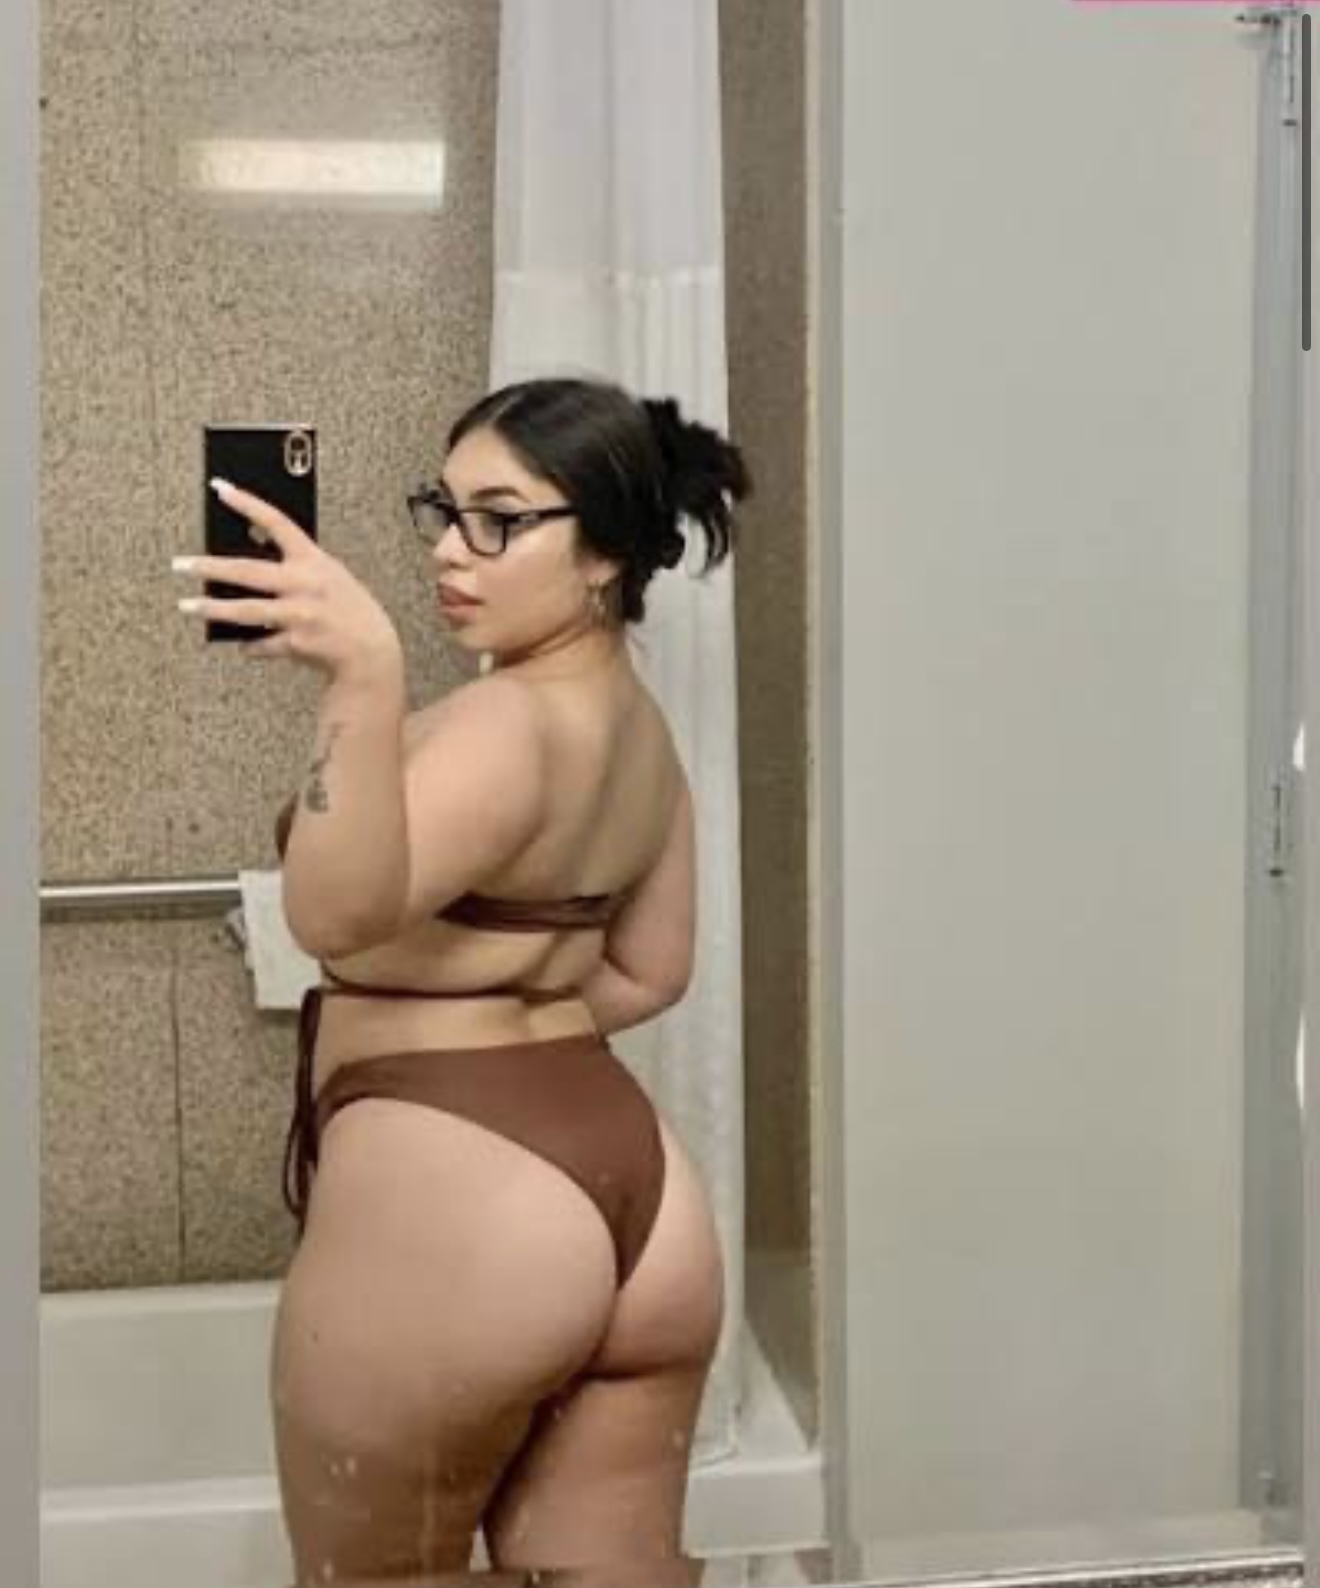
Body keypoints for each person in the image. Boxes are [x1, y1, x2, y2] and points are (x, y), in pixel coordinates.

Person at [172, 376, 751, 1583]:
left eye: (500, 520)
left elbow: (329, 913)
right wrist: (510, 1024)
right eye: (445, 509)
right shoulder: (637, 728)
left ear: (603, 554)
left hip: (464, 1210)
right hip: (642, 1205)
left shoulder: (503, 723)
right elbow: (654, 967)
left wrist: (363, 678)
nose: (449, 547)